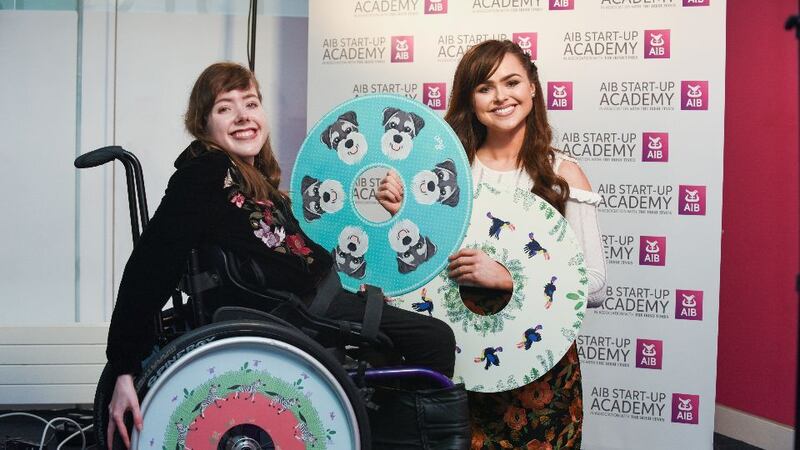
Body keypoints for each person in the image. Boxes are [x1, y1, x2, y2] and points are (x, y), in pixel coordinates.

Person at [104, 62, 457, 447]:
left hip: (319, 304)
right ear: (203, 124)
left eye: (251, 104)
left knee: (396, 352)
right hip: (302, 314)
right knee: (434, 339)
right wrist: (124, 366)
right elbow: (152, 263)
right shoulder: (205, 172)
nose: (242, 117)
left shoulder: (249, 176)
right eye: (225, 108)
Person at [378, 40, 606, 449]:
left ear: (533, 88)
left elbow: (594, 285)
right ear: (470, 98)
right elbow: (415, 269)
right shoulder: (444, 174)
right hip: (457, 360)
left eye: (512, 82)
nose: (501, 97)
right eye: (485, 87)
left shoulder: (563, 175)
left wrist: (507, 277)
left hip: (538, 367)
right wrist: (398, 217)